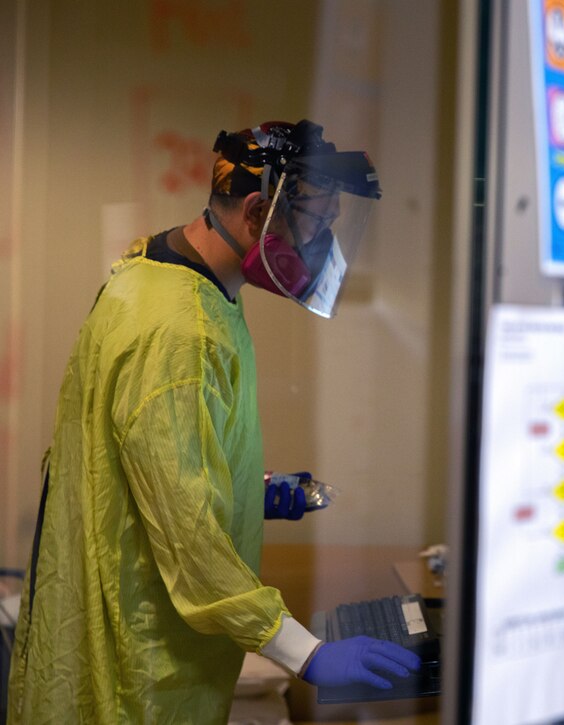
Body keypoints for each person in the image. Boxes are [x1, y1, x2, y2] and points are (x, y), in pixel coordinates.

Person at [6, 120, 420, 723]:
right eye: (315, 224)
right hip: (139, 672)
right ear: (257, 211)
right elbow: (189, 541)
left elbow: (145, 462)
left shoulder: (171, 270)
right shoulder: (177, 329)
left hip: (153, 636)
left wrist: (246, 492)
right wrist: (308, 655)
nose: (322, 244)